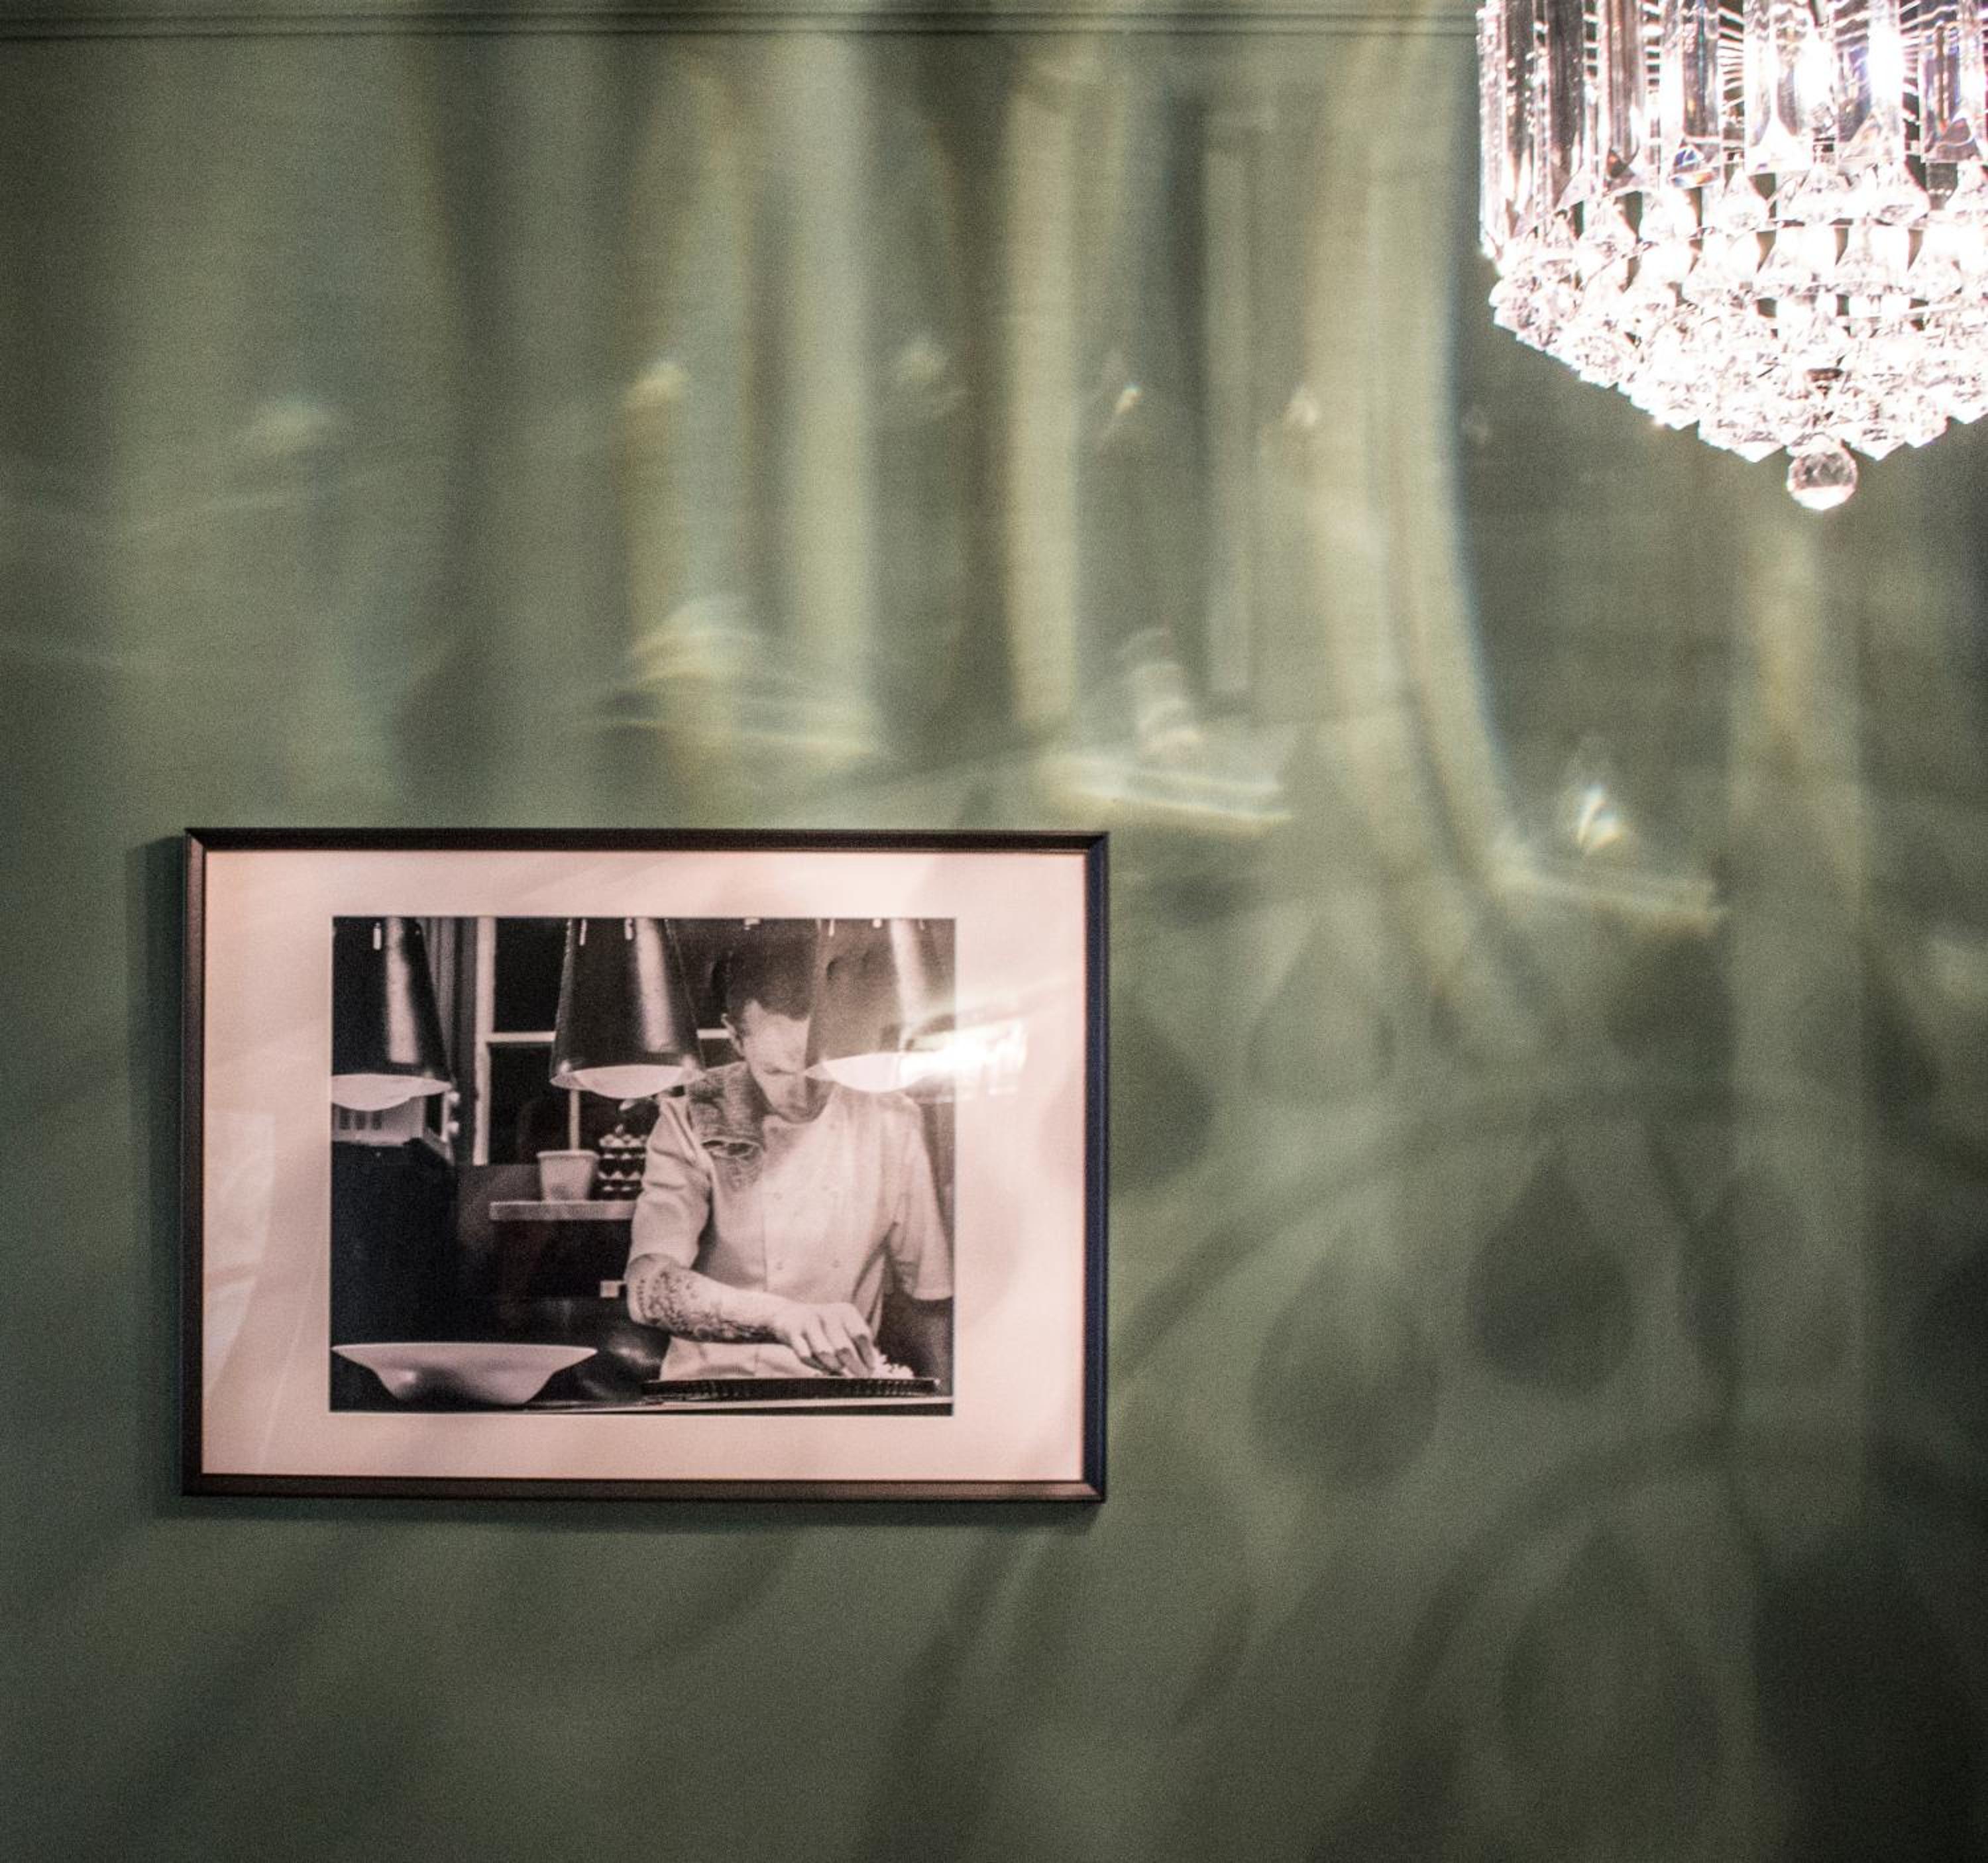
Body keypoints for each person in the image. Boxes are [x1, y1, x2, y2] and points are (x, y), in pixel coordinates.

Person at [623, 928, 953, 1387]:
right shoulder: (694, 1116)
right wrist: (780, 1317)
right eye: (777, 1071)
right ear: (736, 1038)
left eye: (817, 1070)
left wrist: (947, 1404)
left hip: (838, 1391)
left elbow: (929, 1298)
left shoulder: (891, 1121)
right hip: (704, 1389)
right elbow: (648, 1287)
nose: (802, 1095)